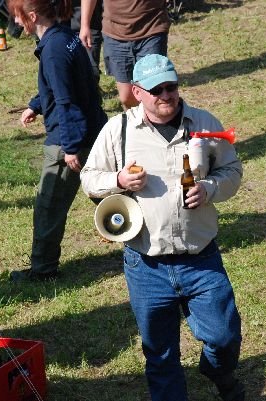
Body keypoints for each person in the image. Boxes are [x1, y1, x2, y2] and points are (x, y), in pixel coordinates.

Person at [81, 54, 244, 401]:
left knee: (224, 337)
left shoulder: (203, 123)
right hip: (146, 265)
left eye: (171, 87)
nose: (166, 95)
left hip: (201, 258)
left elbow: (232, 170)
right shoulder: (118, 130)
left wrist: (210, 188)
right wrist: (118, 178)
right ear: (138, 92)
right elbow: (89, 178)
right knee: (160, 354)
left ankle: (217, 371)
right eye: (156, 90)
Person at [7, 0, 108, 281]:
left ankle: (43, 270)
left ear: (32, 16)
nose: (16, 24)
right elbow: (64, 84)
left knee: (48, 207)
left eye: (17, 17)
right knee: (106, 193)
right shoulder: (65, 37)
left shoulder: (52, 50)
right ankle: (143, 236)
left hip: (70, 139)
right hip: (94, 130)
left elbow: (66, 101)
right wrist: (36, 105)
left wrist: (71, 147)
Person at [79, 0, 170, 110]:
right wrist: (85, 25)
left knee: (152, 90)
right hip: (115, 33)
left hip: (152, 27)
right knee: (126, 97)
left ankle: (155, 123)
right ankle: (137, 122)